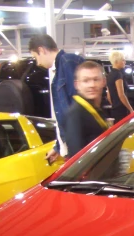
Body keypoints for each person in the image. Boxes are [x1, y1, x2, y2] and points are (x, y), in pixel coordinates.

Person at [28, 34, 85, 162]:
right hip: (72, 145)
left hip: (78, 146)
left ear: (41, 50)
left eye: (36, 57)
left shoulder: (67, 63)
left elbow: (76, 106)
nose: (38, 63)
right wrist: (59, 147)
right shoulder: (60, 69)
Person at [64, 61, 108, 159]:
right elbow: (77, 156)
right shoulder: (76, 113)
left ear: (103, 82)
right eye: (86, 81)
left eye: (96, 79)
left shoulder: (95, 108)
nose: (92, 85)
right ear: (77, 85)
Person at [106, 51, 134, 124]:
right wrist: (131, 109)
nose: (125, 62)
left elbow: (109, 95)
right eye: (123, 60)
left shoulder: (109, 75)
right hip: (121, 109)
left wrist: (114, 104)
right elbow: (121, 94)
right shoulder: (118, 74)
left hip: (114, 109)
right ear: (116, 61)